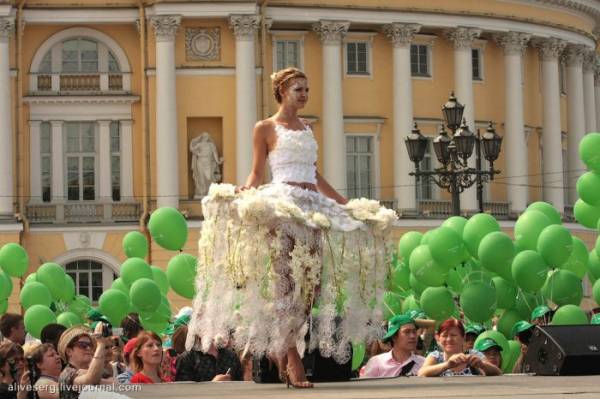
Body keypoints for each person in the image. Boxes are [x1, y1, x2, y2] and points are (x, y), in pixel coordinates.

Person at [186, 67, 396, 389]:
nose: (304, 94)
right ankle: (291, 356)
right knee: (285, 280)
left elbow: (316, 175)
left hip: (311, 205)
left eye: (306, 89)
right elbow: (257, 172)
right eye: (298, 89)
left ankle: (283, 346)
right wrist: (246, 190)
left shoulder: (308, 128)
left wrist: (344, 203)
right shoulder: (265, 127)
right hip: (282, 204)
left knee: (311, 286)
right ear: (283, 91)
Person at [418, 319, 502, 377]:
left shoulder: (473, 355)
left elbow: (497, 372)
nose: (449, 339)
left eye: (453, 335)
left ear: (463, 337)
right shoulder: (435, 356)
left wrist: (482, 365)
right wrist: (447, 365)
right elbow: (421, 373)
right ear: (439, 338)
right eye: (444, 335)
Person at [57, 324, 112, 398]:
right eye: (83, 345)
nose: (89, 348)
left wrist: (97, 378)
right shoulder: (67, 373)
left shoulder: (95, 370)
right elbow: (90, 383)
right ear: (69, 351)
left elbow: (119, 385)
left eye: (90, 345)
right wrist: (101, 344)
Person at [360, 314, 425, 378]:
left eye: (414, 332)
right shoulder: (376, 363)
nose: (412, 336)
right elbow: (365, 388)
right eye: (407, 332)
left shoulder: (424, 364)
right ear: (394, 337)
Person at [175, 336, 242, 382]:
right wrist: (212, 386)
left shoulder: (231, 356)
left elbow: (240, 388)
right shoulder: (187, 358)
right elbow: (183, 393)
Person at [190, 132, 223, 198]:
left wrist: (218, 161)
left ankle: (210, 191)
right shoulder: (199, 144)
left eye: (207, 136)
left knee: (209, 177)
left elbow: (215, 154)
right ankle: (202, 192)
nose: (206, 138)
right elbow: (192, 149)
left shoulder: (211, 145)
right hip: (200, 162)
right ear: (202, 137)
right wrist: (192, 143)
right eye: (204, 136)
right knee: (201, 177)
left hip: (209, 163)